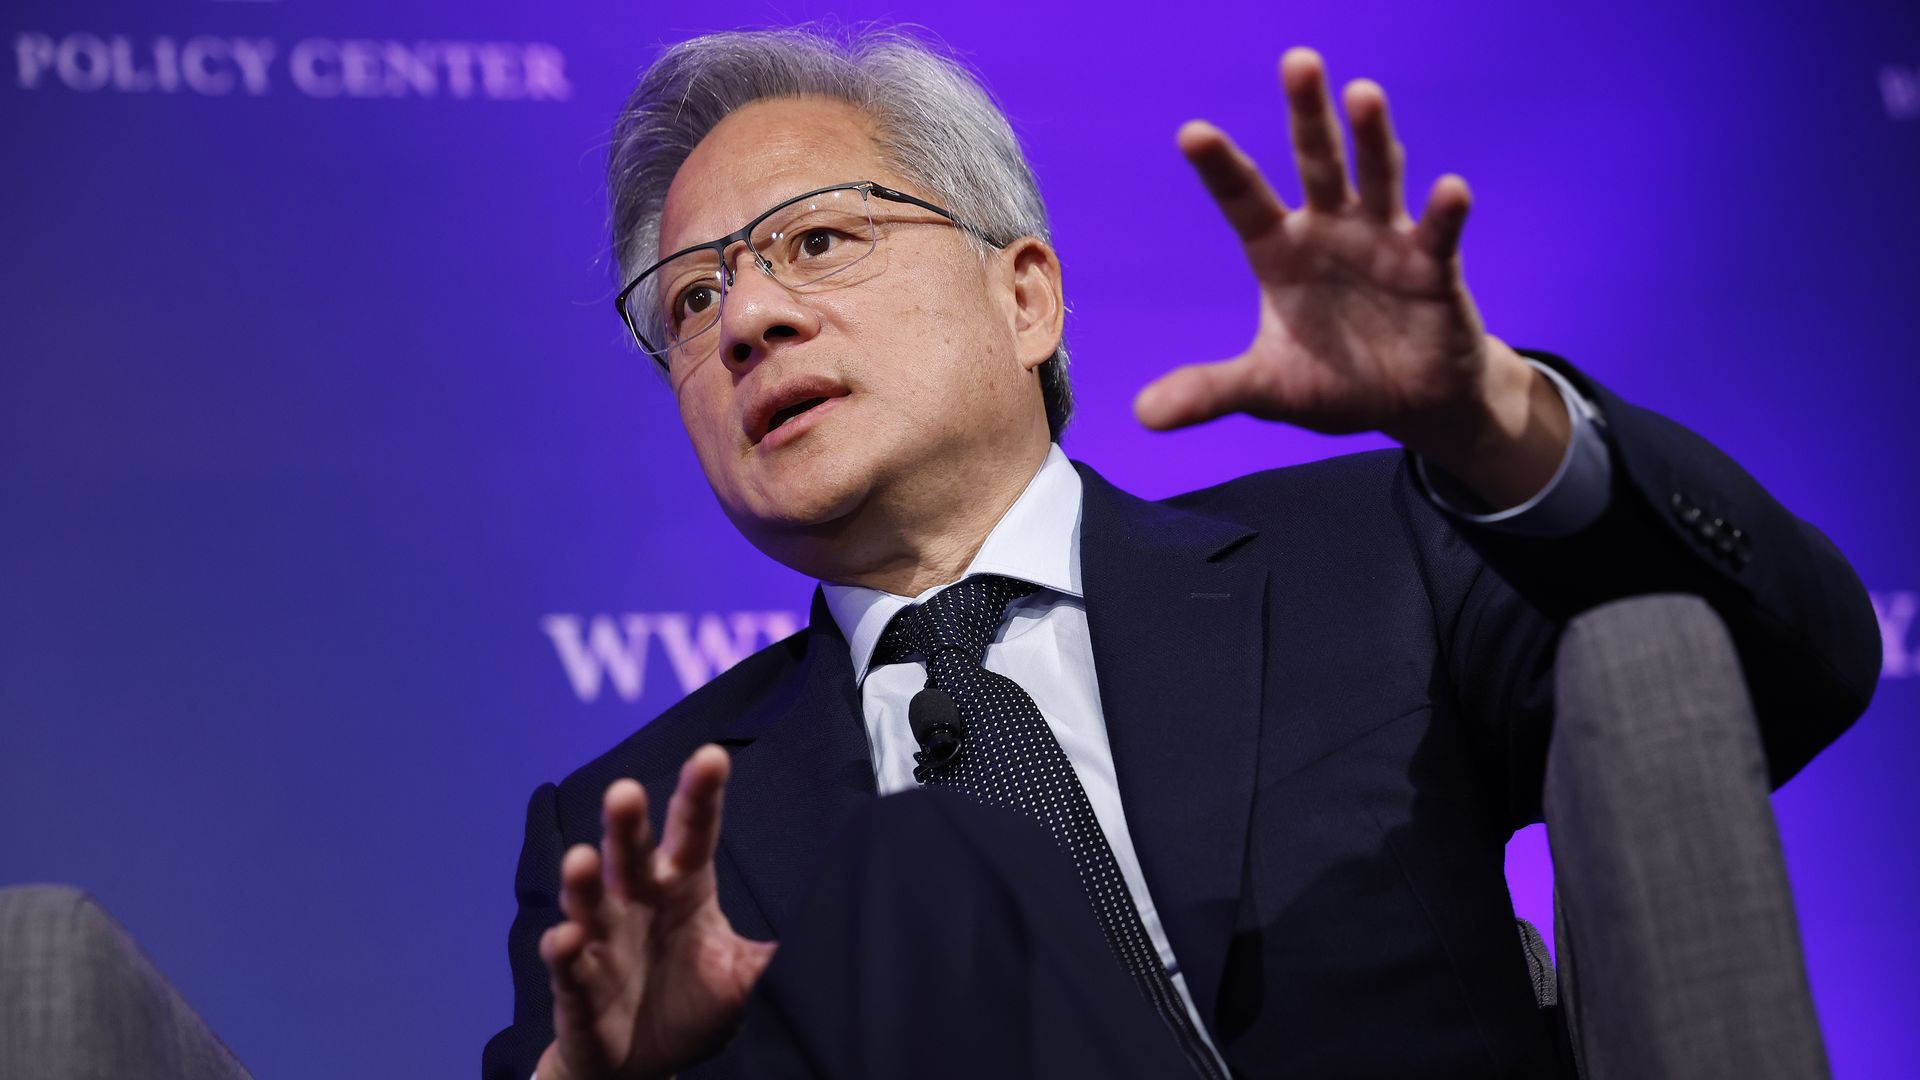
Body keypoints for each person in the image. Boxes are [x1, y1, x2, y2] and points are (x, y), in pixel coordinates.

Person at [481, 25, 1880, 1080]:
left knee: (1636, 632)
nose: (748, 323)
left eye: (820, 241)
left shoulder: (1373, 553)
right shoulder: (645, 833)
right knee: (925, 872)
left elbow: (1783, 663)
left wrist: (1497, 423)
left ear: (1025, 296)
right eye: (693, 298)